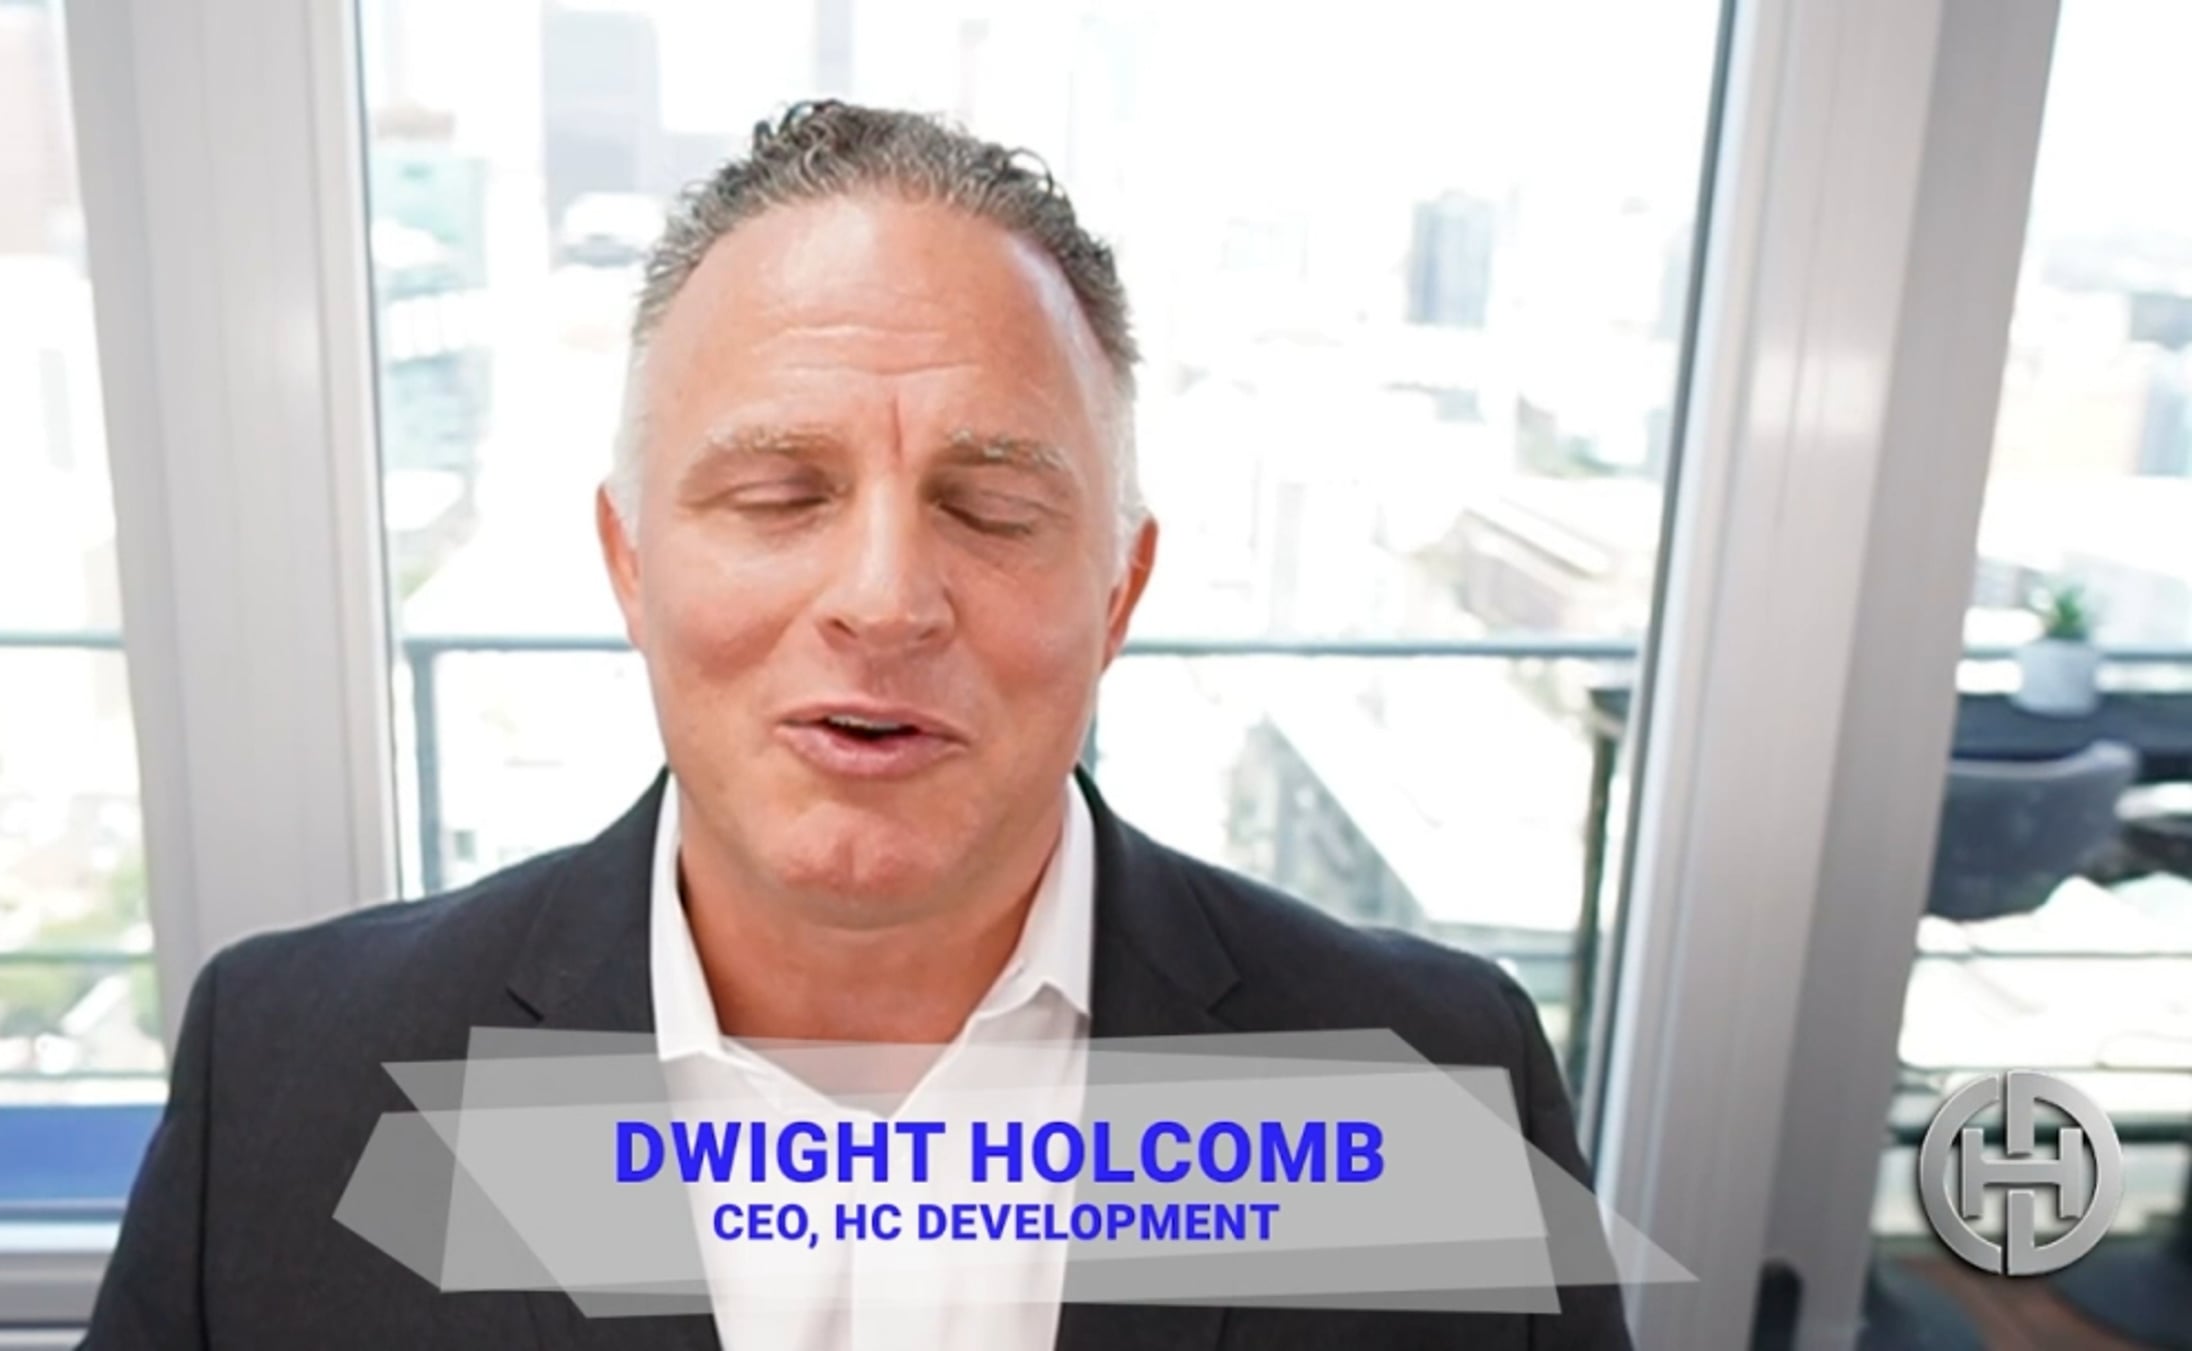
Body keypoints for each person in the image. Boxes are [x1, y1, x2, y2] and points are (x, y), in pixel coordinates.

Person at [83, 101, 1633, 1350]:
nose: (886, 601)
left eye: (994, 507)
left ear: (1118, 591)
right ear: (631, 564)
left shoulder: (1433, 1079)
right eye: (779, 496)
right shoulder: (289, 1077)